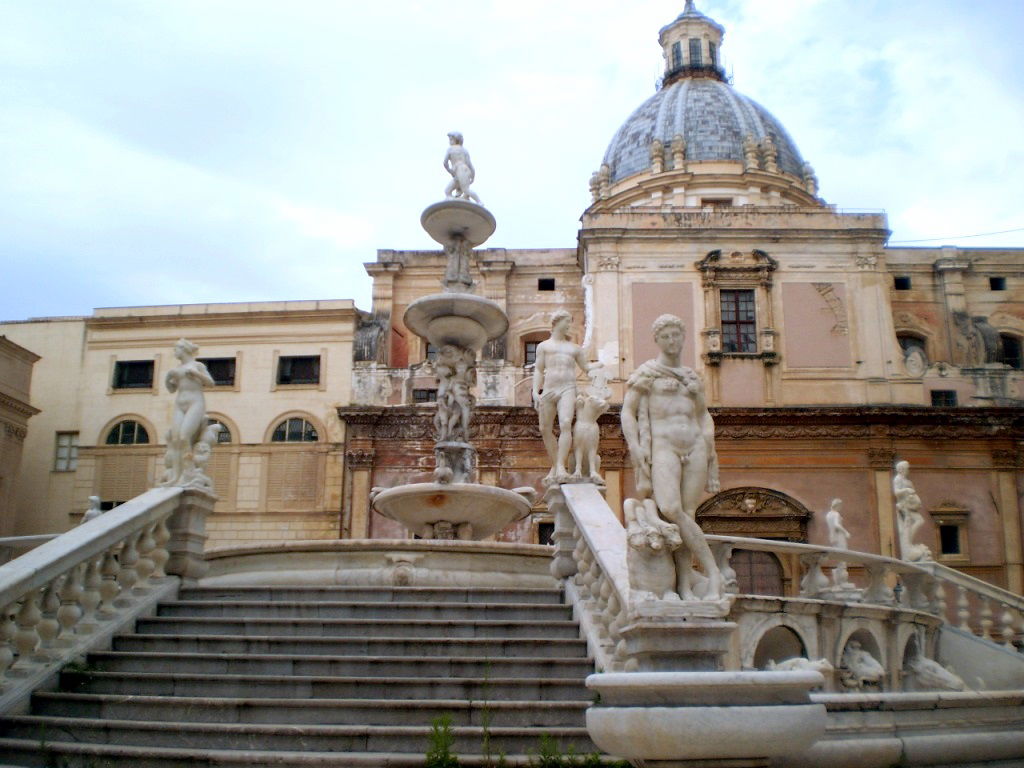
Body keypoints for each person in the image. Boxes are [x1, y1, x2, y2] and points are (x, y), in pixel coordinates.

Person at [621, 314, 722, 600]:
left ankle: (684, 586)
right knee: (670, 508)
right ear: (657, 340)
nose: (672, 341)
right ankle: (713, 572)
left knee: (687, 514)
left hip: (695, 447)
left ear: (683, 337)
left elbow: (703, 416)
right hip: (664, 447)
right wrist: (635, 446)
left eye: (676, 335)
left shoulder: (692, 377)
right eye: (665, 336)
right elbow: (627, 411)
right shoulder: (647, 373)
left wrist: (712, 453)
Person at [532, 310, 598, 483]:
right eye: (567, 321)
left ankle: (561, 467)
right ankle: (555, 464)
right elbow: (539, 370)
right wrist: (535, 391)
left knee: (566, 423)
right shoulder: (544, 346)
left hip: (568, 388)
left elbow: (586, 367)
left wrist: (600, 366)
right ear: (557, 322)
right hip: (549, 389)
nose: (569, 325)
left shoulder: (574, 348)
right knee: (544, 428)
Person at [163, 338, 214, 485]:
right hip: (180, 403)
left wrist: (196, 374)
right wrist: (168, 378)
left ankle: (188, 472)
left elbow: (210, 383)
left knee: (185, 437)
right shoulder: (177, 369)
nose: (174, 352)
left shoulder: (197, 365)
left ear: (184, 350)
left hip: (195, 403)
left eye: (176, 349)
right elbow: (171, 389)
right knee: (175, 439)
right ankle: (175, 476)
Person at [443, 132, 481, 204]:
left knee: (466, 190)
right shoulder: (464, 150)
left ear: (455, 140)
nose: (449, 141)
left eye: (451, 139)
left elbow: (445, 163)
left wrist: (450, 171)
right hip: (464, 171)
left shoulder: (450, 149)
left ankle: (479, 202)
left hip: (460, 170)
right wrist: (473, 176)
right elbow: (469, 164)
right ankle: (457, 203)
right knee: (447, 191)